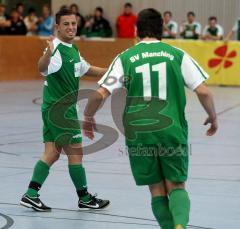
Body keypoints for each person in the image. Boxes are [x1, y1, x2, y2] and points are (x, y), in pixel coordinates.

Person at [83, 8, 218, 229]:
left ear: (136, 30)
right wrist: (213, 117)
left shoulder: (124, 58)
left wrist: (88, 116)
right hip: (171, 130)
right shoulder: (177, 54)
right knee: (176, 185)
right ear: (162, 28)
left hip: (139, 134)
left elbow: (100, 93)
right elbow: (203, 92)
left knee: (156, 189)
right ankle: (180, 226)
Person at [20, 8, 110, 212]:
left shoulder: (73, 49)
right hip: (61, 110)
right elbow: (42, 68)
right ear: (58, 27)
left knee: (51, 153)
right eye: (66, 24)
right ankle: (84, 198)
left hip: (52, 109)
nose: (71, 27)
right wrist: (48, 53)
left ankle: (31, 194)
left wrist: (114, 70)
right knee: (76, 154)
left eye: (73, 23)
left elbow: (87, 69)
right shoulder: (56, 50)